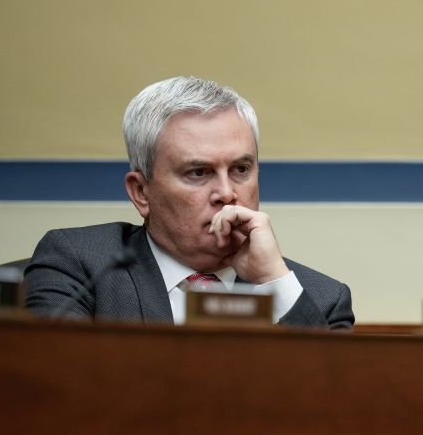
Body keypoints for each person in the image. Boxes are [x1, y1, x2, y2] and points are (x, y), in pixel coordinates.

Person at [25, 76, 354, 329]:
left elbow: (335, 394)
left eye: (240, 169)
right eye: (198, 173)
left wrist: (273, 281)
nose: (227, 193)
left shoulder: (321, 299)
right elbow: (57, 381)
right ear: (141, 192)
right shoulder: (81, 266)